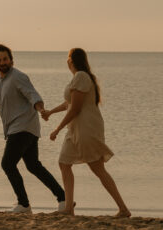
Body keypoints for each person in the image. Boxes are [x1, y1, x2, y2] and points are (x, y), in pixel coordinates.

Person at [0, 44, 67, 214]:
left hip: (23, 127)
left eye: (5, 59)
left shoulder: (18, 77)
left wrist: (41, 110)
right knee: (33, 166)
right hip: (23, 129)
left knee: (7, 164)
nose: (2, 62)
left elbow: (33, 94)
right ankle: (63, 199)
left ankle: (24, 204)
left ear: (11, 60)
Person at [41, 48, 130, 217]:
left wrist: (57, 129)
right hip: (74, 129)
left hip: (86, 129)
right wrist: (50, 112)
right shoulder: (78, 78)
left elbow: (75, 108)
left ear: (71, 61)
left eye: (68, 59)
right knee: (64, 163)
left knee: (97, 168)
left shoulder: (81, 76)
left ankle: (123, 209)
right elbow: (68, 103)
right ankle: (68, 208)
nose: (67, 62)